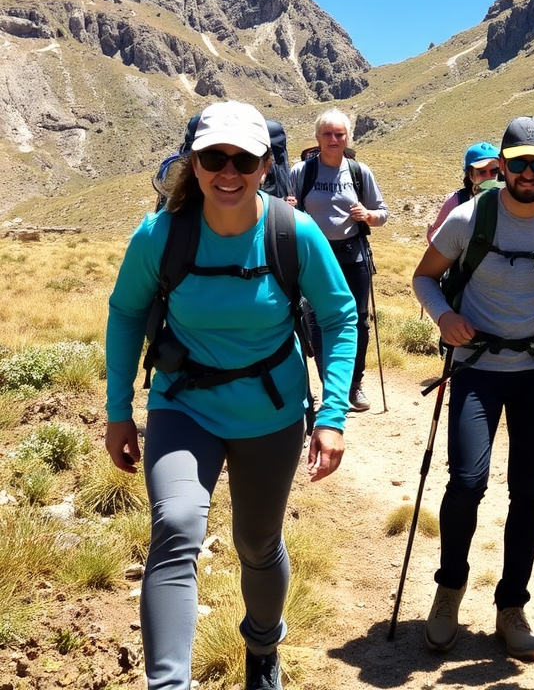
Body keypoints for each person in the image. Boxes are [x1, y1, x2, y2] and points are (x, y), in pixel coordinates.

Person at [104, 101, 357, 690]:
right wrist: (119, 412)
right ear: (193, 163)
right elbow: (125, 314)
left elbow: (340, 317)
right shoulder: (160, 234)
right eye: (213, 157)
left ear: (266, 165)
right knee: (177, 524)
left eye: (243, 159)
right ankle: (169, 683)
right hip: (182, 404)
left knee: (257, 541)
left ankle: (263, 649)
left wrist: (332, 412)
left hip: (270, 412)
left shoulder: (293, 233)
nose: (228, 171)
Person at [412, 116, 534, 661]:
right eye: (518, 163)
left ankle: (512, 605)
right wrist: (444, 316)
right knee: (467, 482)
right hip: (476, 367)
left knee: (528, 490)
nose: (527, 173)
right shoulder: (470, 218)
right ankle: (449, 590)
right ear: (502, 163)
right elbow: (424, 276)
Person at [289, 109, 389, 413]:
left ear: (348, 137)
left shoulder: (359, 172)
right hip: (313, 257)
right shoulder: (301, 172)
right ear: (318, 137)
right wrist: (287, 208)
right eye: (328, 134)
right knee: (318, 320)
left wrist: (369, 216)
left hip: (353, 254)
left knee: (358, 321)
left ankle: (354, 383)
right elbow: (284, 211)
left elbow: (382, 213)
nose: (334, 139)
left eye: (340, 134)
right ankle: (332, 384)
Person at [425, 141, 501, 243]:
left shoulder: (512, 199)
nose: (488, 177)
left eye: (494, 171)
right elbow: (436, 239)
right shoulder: (457, 201)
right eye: (482, 172)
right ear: (470, 175)